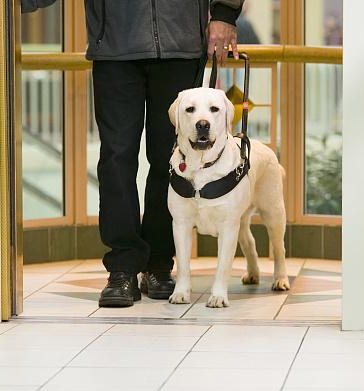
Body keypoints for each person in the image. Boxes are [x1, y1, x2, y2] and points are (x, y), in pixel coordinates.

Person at [22, 0, 244, 307]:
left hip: (180, 46)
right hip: (115, 46)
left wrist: (224, 14)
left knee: (172, 159)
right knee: (116, 159)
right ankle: (122, 268)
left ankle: (159, 263)